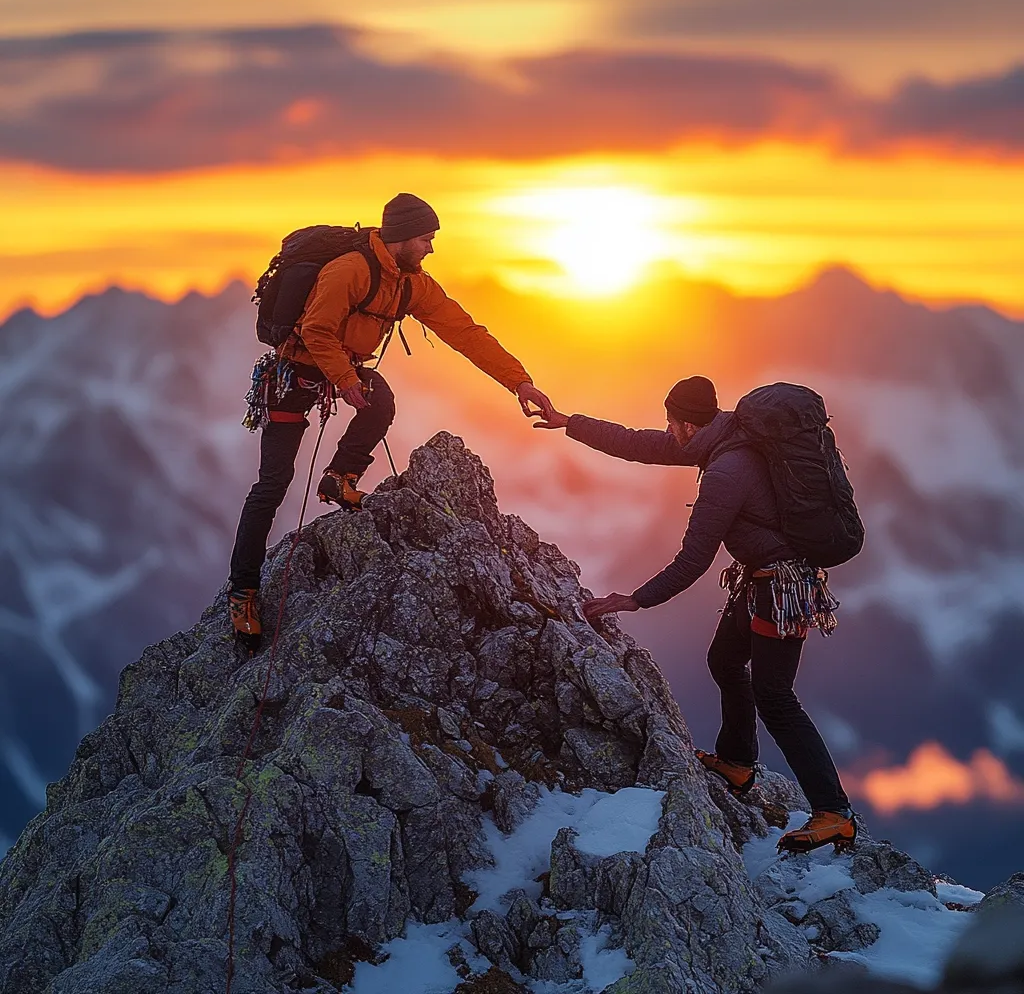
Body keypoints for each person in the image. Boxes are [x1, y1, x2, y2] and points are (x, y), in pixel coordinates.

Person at [534, 376, 857, 853]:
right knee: (724, 661)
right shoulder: (726, 433)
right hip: (761, 579)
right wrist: (570, 423)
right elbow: (641, 444)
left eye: (671, 422)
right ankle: (737, 762)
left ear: (686, 422)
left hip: (780, 588)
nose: (668, 431)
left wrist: (634, 599)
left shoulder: (727, 471)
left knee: (776, 698)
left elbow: (694, 560)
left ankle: (833, 812)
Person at [229, 193, 553, 646]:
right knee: (273, 484)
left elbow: (465, 332)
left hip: (337, 368)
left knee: (381, 403)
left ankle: (338, 477)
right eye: (426, 238)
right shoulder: (350, 271)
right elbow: (316, 330)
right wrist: (345, 380)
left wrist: (519, 382)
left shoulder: (411, 284)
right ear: (401, 237)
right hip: (294, 372)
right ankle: (243, 591)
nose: (431, 249)